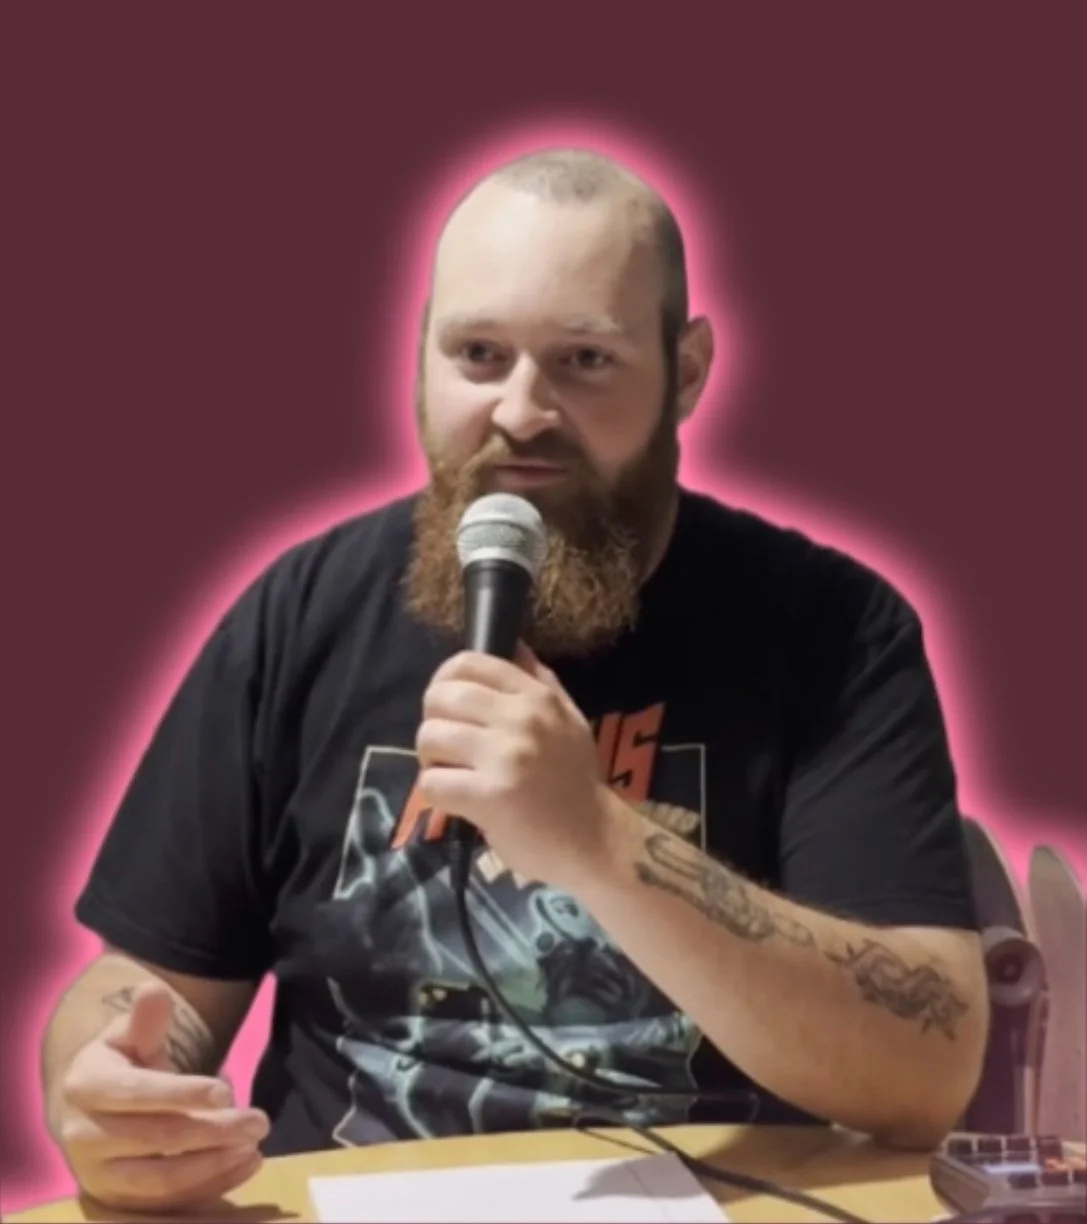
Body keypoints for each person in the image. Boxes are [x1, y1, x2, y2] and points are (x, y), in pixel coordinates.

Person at [40, 147, 988, 1213]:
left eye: (583, 359)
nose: (519, 411)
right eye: (478, 354)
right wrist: (109, 1084)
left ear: (686, 371)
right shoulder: (301, 610)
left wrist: (598, 837)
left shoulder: (833, 629)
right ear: (419, 360)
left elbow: (926, 1071)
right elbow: (155, 978)